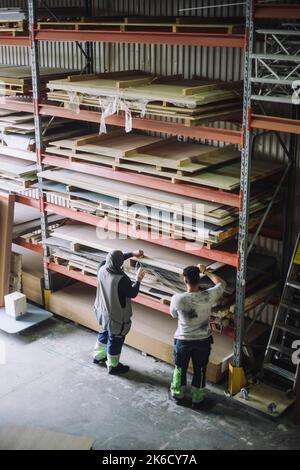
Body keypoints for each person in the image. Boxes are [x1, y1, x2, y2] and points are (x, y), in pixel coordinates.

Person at [170, 264, 227, 409]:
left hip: (183, 340)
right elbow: (222, 283)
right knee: (200, 369)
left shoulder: (178, 299)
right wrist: (205, 270)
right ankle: (198, 399)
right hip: (203, 340)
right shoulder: (208, 296)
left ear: (184, 280)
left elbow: (173, 314)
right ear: (199, 279)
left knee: (180, 368)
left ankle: (178, 394)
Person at [93, 249, 145, 375]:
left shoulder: (101, 268)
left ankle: (98, 356)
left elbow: (114, 259)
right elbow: (133, 293)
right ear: (119, 263)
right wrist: (138, 280)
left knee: (104, 333)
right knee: (115, 340)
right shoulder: (121, 279)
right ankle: (113, 365)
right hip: (116, 317)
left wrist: (132, 254)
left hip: (102, 312)